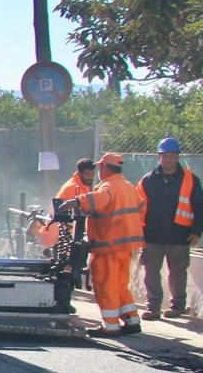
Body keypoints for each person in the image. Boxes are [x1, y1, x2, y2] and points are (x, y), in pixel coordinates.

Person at [67, 152, 148, 337]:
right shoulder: (128, 187)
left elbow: (99, 199)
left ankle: (111, 326)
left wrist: (77, 201)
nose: (98, 171)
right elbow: (141, 208)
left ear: (105, 168)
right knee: (120, 284)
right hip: (126, 246)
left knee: (106, 285)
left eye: (100, 167)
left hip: (108, 246)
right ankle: (132, 320)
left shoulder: (109, 187)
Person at [139, 136, 200, 317]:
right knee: (151, 272)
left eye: (172, 156)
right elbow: (139, 208)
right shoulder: (147, 180)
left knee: (178, 272)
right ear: (159, 157)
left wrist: (196, 231)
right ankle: (153, 306)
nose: (169, 159)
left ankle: (177, 306)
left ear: (178, 157)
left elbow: (199, 207)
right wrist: (138, 233)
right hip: (152, 236)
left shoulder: (190, 179)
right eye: (165, 156)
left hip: (179, 236)